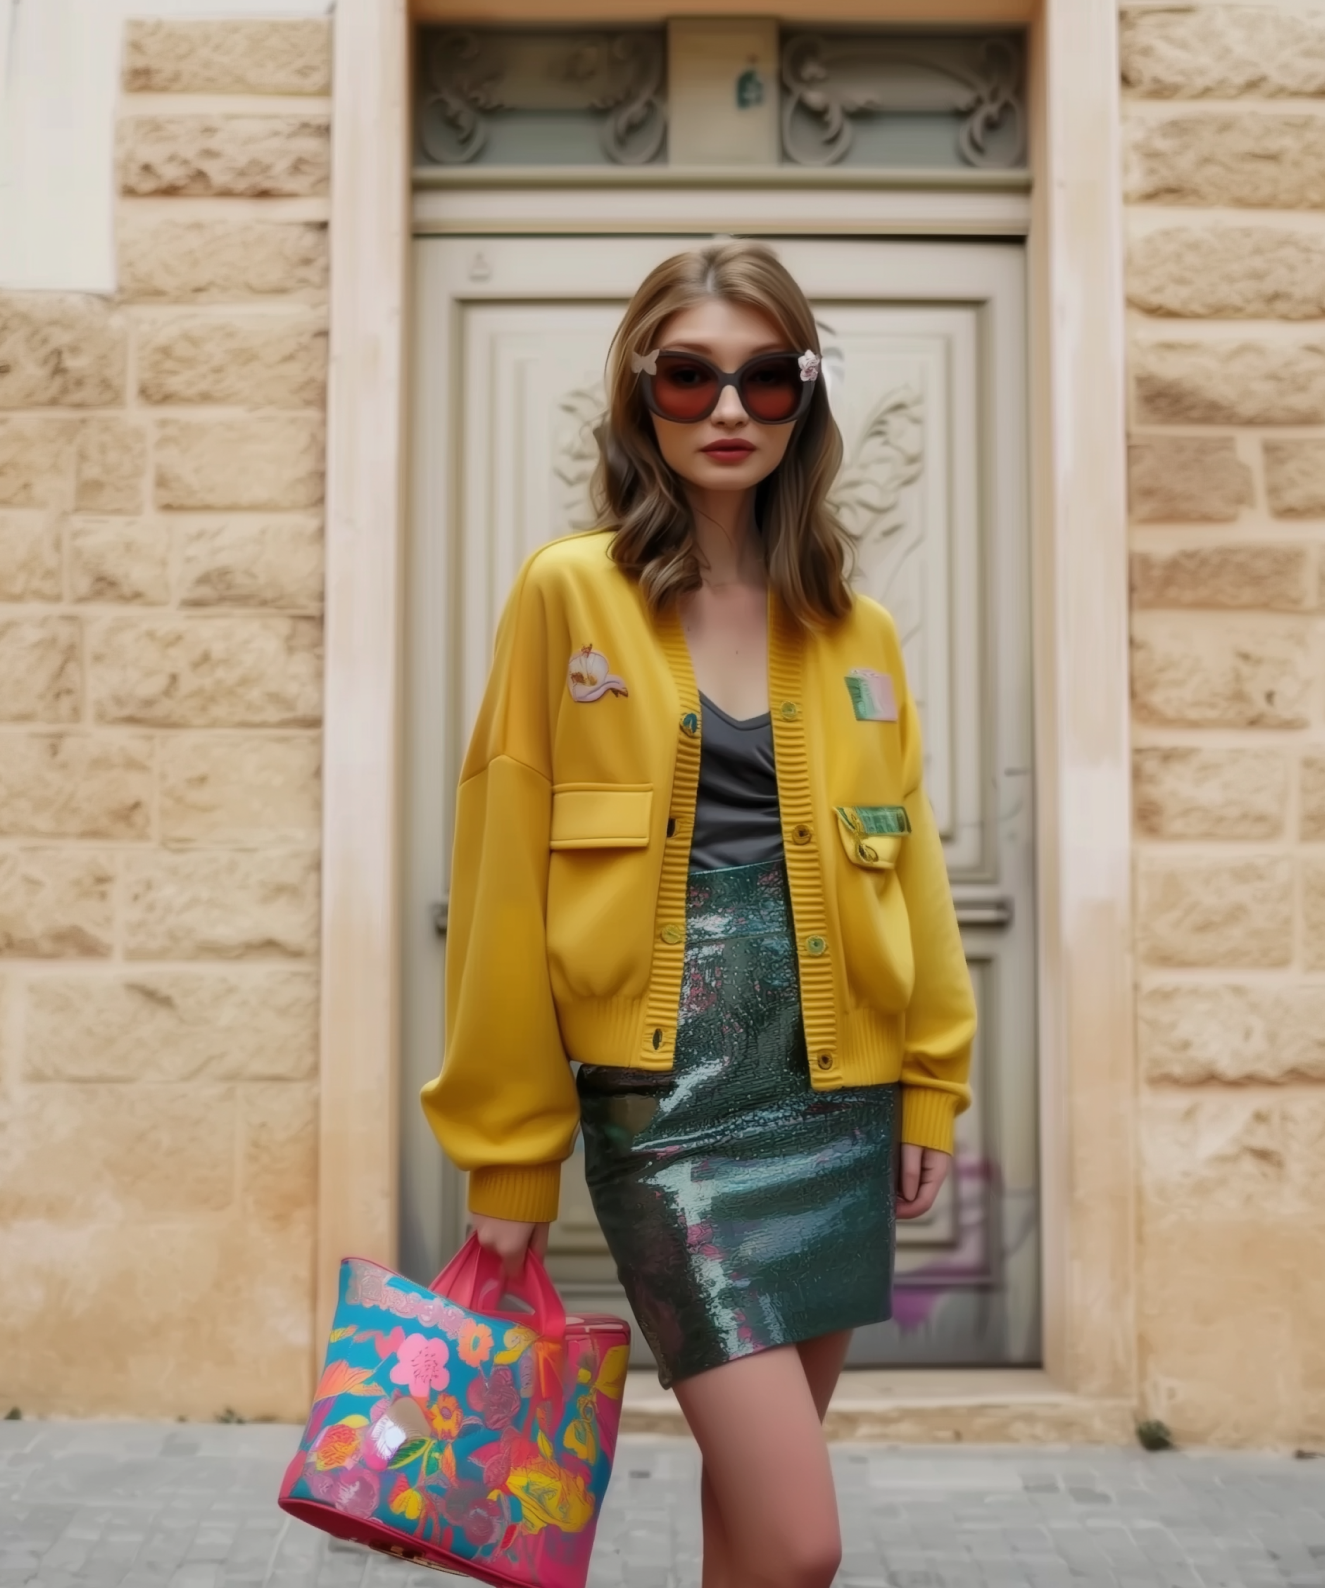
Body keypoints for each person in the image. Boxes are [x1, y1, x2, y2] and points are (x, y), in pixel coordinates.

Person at [422, 239, 977, 1588]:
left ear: (805, 402)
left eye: (764, 380)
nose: (727, 411)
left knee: (751, 1546)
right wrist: (506, 1161)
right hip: (665, 1115)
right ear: (641, 397)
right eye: (690, 378)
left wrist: (928, 1090)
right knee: (802, 1545)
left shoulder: (859, 634)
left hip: (833, 1102)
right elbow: (503, 880)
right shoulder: (570, 595)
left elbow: (910, 873)